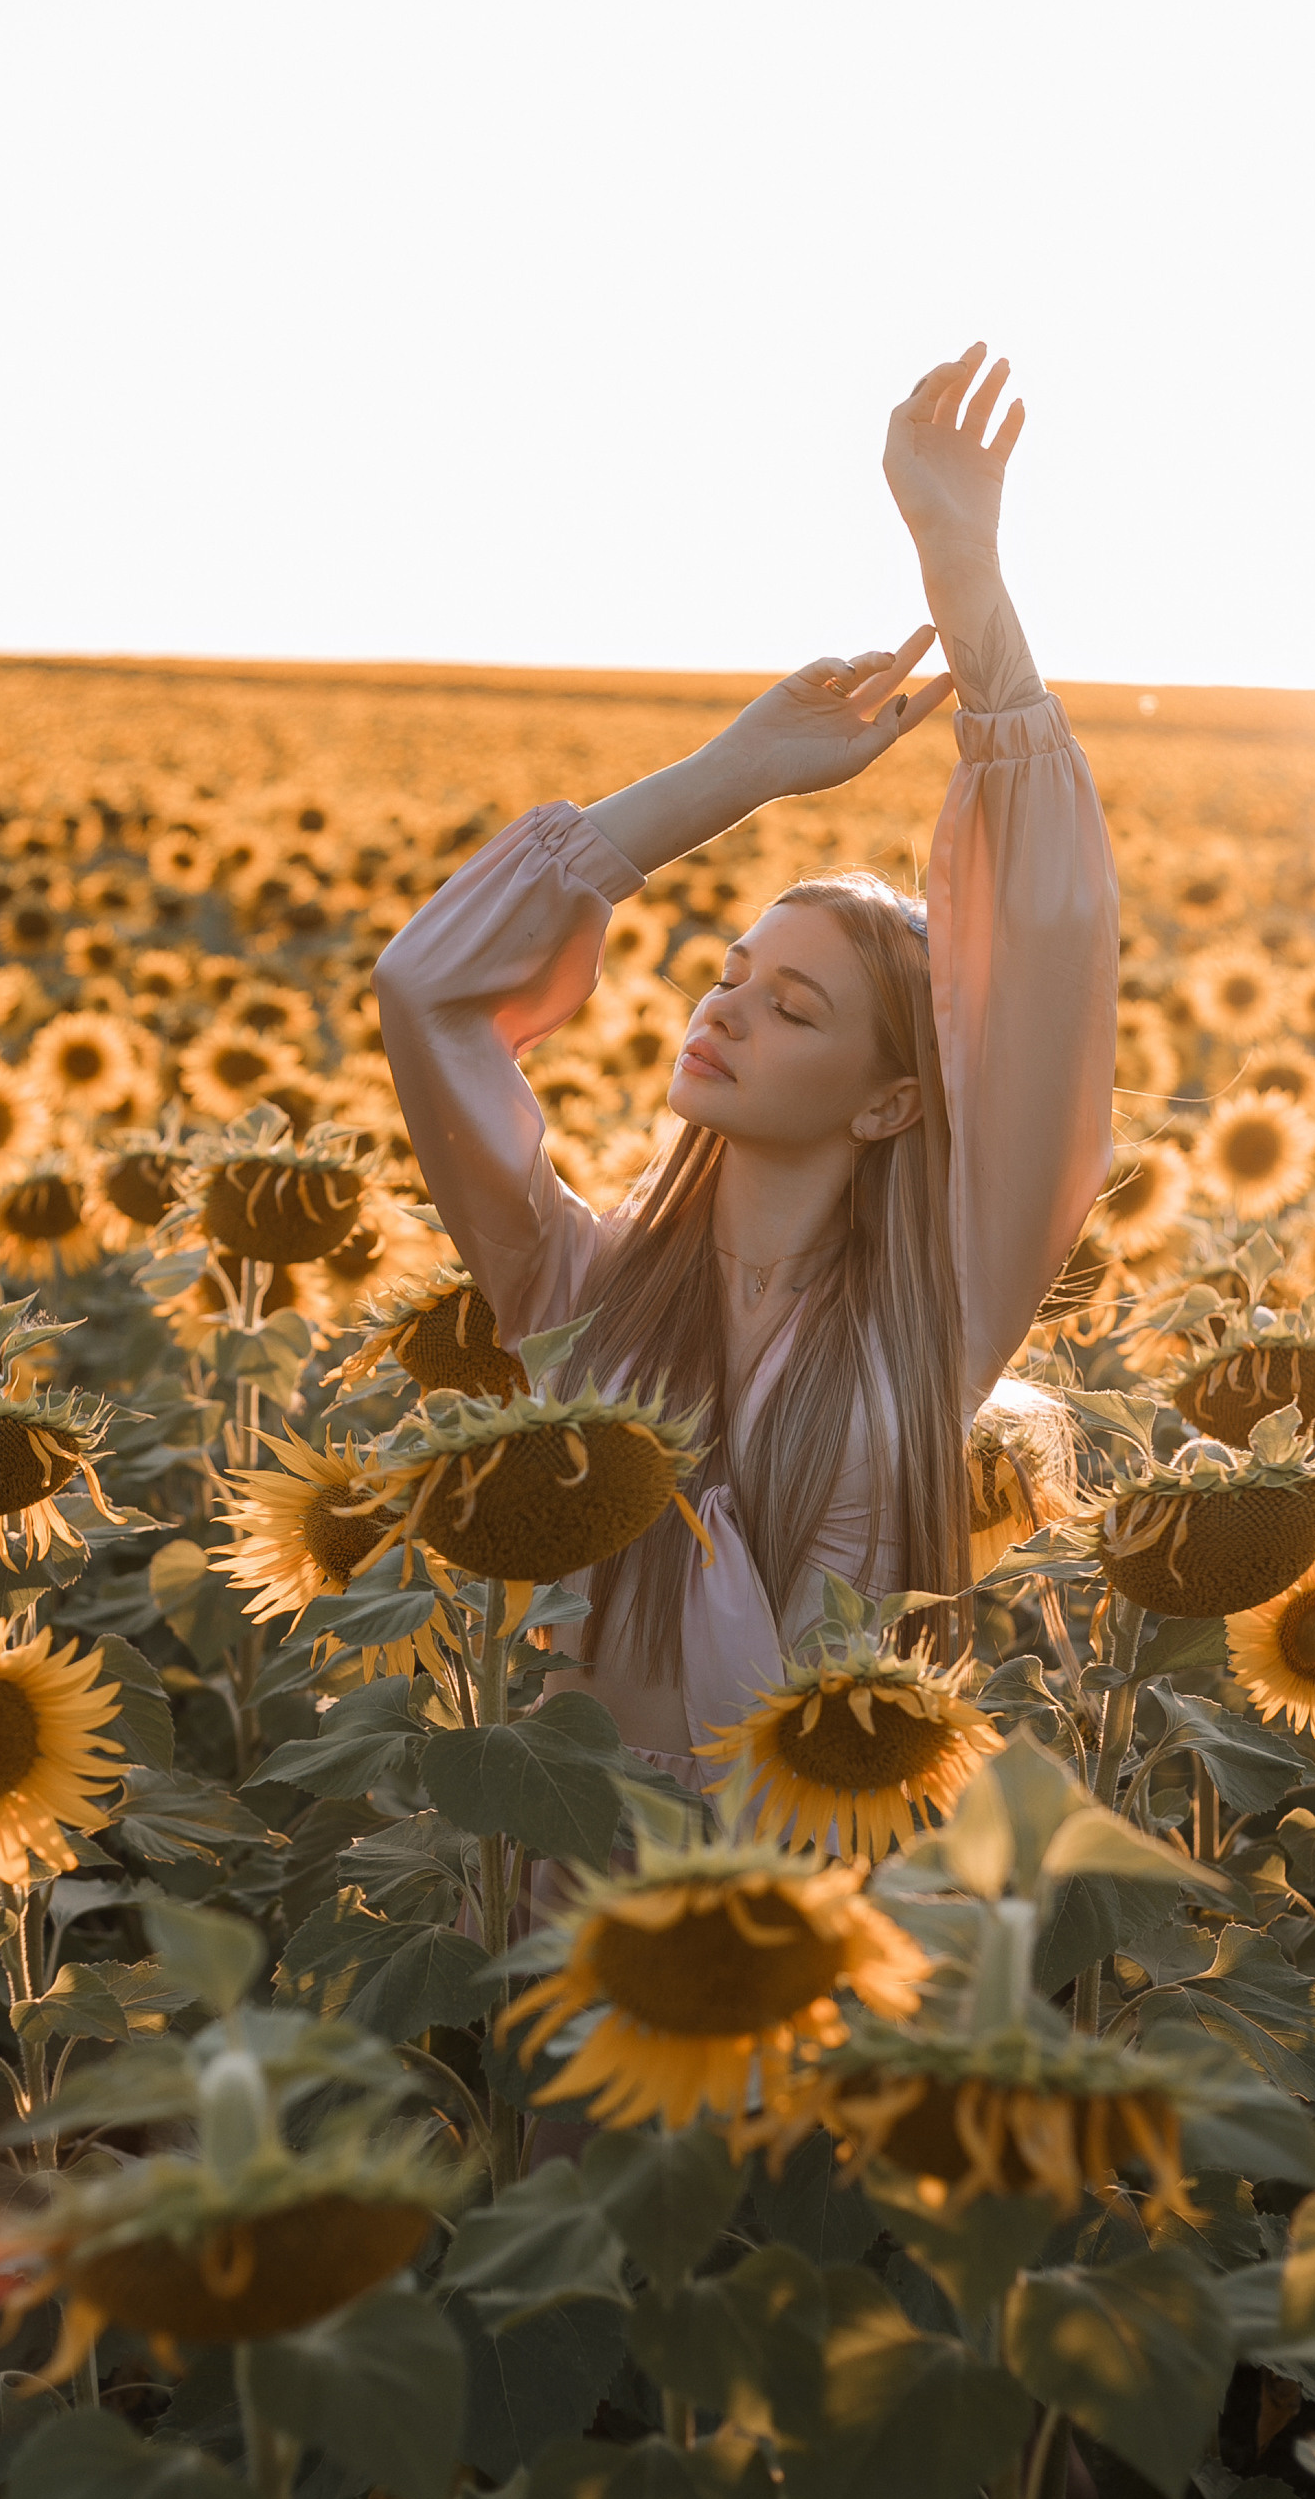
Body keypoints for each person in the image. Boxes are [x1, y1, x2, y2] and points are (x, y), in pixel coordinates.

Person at [376, 346, 1119, 1796]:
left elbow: (1046, 958)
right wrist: (738, 771)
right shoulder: (578, 1291)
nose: (724, 1012)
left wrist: (965, 579)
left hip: (815, 1881)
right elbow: (429, 993)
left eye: (793, 1008)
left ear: (892, 1100)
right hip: (577, 1877)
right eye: (727, 976)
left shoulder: (939, 1311)